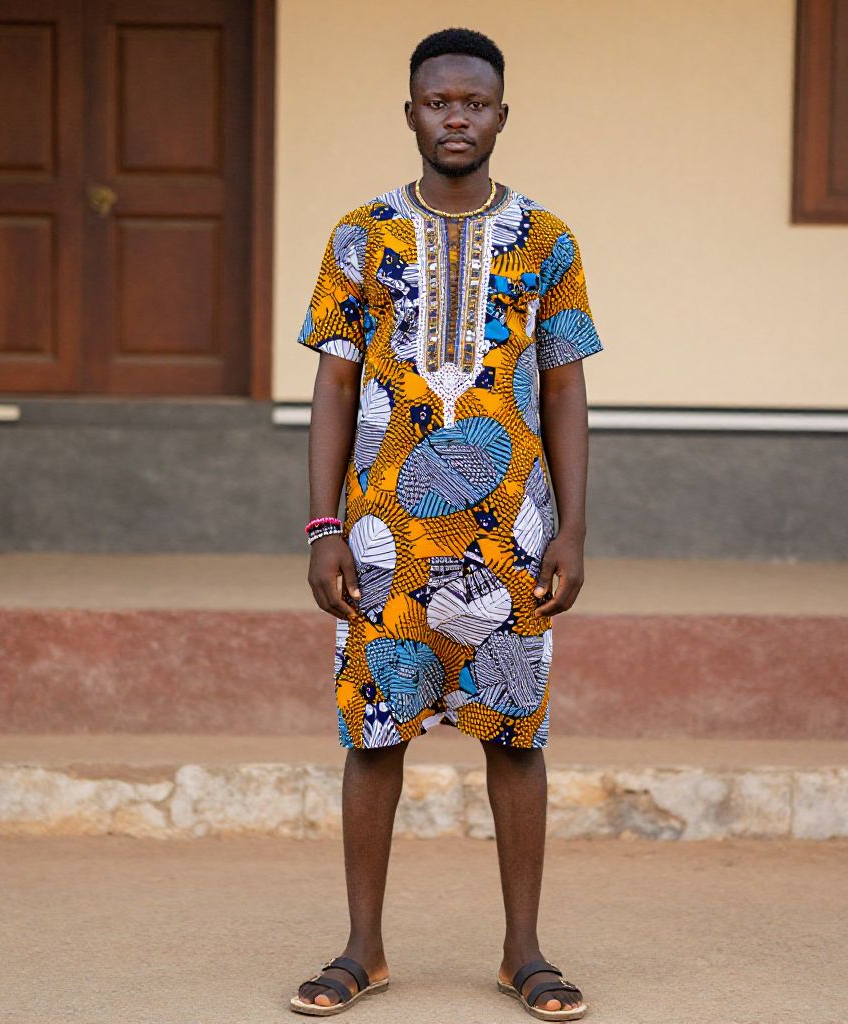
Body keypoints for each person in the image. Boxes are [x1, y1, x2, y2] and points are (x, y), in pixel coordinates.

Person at [290, 26, 603, 1020]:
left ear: (501, 115)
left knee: (512, 735)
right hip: (383, 532)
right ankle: (361, 950)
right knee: (375, 734)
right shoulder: (358, 237)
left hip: (510, 533)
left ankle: (524, 952)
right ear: (412, 113)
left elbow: (565, 393)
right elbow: (332, 387)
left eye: (475, 102)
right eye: (438, 101)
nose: (456, 116)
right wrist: (322, 525)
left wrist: (573, 531)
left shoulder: (549, 241)